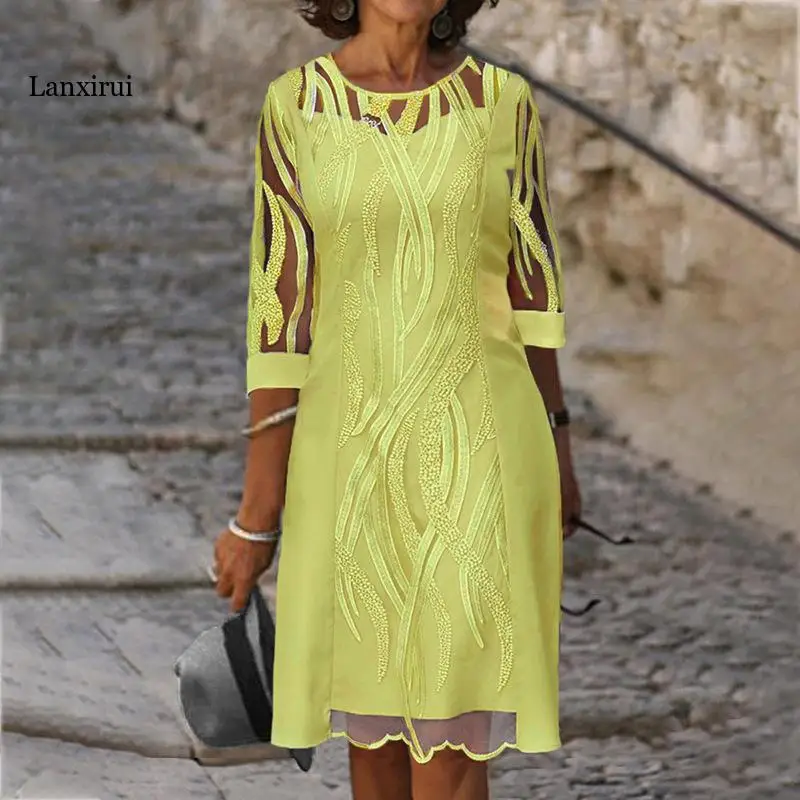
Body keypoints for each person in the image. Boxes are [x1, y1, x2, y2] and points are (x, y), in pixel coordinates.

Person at [212, 0, 582, 796]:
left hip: (482, 452)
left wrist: (559, 445)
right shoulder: (296, 106)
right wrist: (256, 513)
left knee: (451, 737)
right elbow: (280, 312)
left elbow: (533, 289)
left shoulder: (504, 104)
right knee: (372, 741)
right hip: (348, 461)